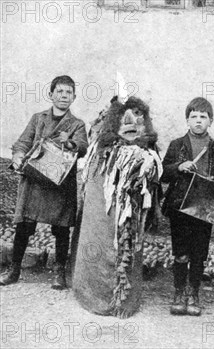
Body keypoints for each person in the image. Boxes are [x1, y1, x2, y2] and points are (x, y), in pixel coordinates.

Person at [71, 95, 161, 318]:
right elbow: (91, 187)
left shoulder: (149, 154)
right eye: (124, 117)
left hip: (131, 217)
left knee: (130, 244)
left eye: (138, 116)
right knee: (99, 243)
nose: (130, 121)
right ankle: (96, 295)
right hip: (102, 216)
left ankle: (124, 299)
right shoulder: (100, 153)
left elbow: (152, 186)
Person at [0, 75, 88, 289]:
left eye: (68, 92)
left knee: (61, 229)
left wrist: (70, 142)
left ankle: (59, 272)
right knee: (24, 225)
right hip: (34, 182)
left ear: (74, 97)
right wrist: (19, 156)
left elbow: (83, 146)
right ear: (51, 94)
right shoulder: (38, 118)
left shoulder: (77, 124)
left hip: (60, 184)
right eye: (59, 91)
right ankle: (14, 269)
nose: (64, 96)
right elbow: (23, 141)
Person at [161, 97, 214, 316]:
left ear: (211, 121)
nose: (198, 121)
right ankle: (179, 293)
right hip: (179, 206)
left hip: (203, 208)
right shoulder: (176, 145)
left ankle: (194, 293)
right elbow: (163, 172)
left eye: (203, 117)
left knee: (199, 254)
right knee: (181, 252)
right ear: (187, 120)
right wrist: (179, 166)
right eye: (194, 117)